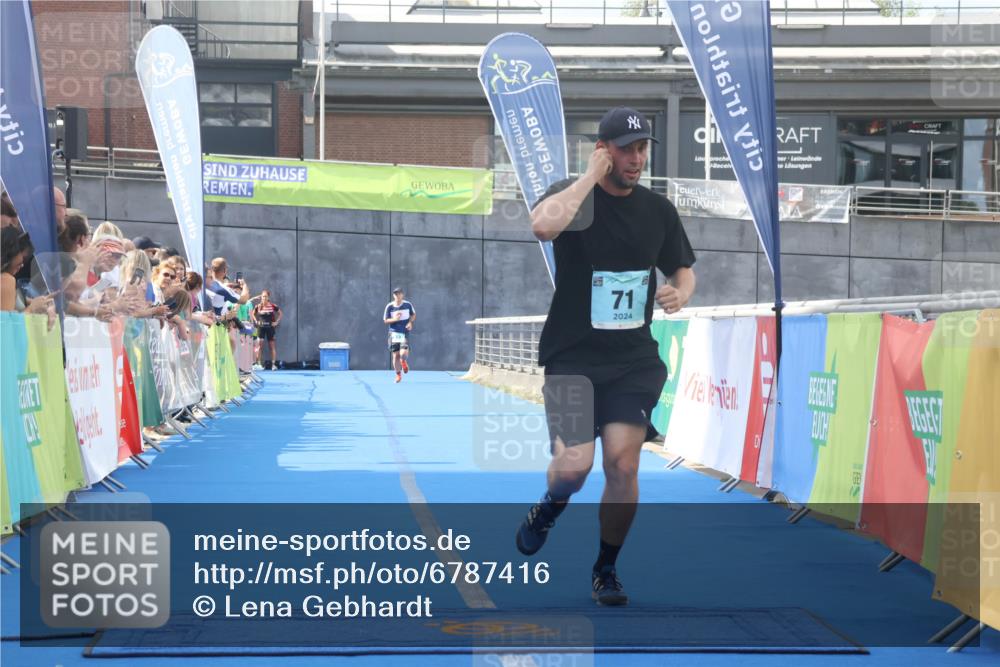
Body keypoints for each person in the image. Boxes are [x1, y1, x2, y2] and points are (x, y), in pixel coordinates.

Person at [515, 107, 697, 606]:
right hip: (572, 357)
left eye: (642, 149)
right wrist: (587, 179)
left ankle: (606, 569)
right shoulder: (572, 198)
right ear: (603, 150)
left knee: (622, 464)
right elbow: (541, 228)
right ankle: (551, 504)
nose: (636, 159)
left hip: (632, 361)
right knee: (573, 468)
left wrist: (681, 291)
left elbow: (683, 269)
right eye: (626, 149)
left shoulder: (658, 210)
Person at [383, 287, 415, 383]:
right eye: (395, 294)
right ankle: (398, 375)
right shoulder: (389, 306)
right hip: (394, 333)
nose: (397, 295)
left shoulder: (407, 305)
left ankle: (403, 361)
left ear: (402, 295)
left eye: (399, 293)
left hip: (404, 332)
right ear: (393, 295)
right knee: (396, 355)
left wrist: (410, 323)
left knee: (403, 354)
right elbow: (385, 320)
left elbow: (413, 315)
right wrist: (395, 319)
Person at [251, 289, 282, 369]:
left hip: (270, 329)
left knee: (272, 347)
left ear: (268, 297)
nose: (264, 298)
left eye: (265, 296)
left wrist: (276, 322)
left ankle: (273, 365)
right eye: (263, 296)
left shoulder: (272, 306)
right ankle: (259, 365)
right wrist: (256, 321)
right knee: (259, 347)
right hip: (261, 328)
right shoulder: (258, 306)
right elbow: (252, 314)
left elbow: (280, 313)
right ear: (261, 297)